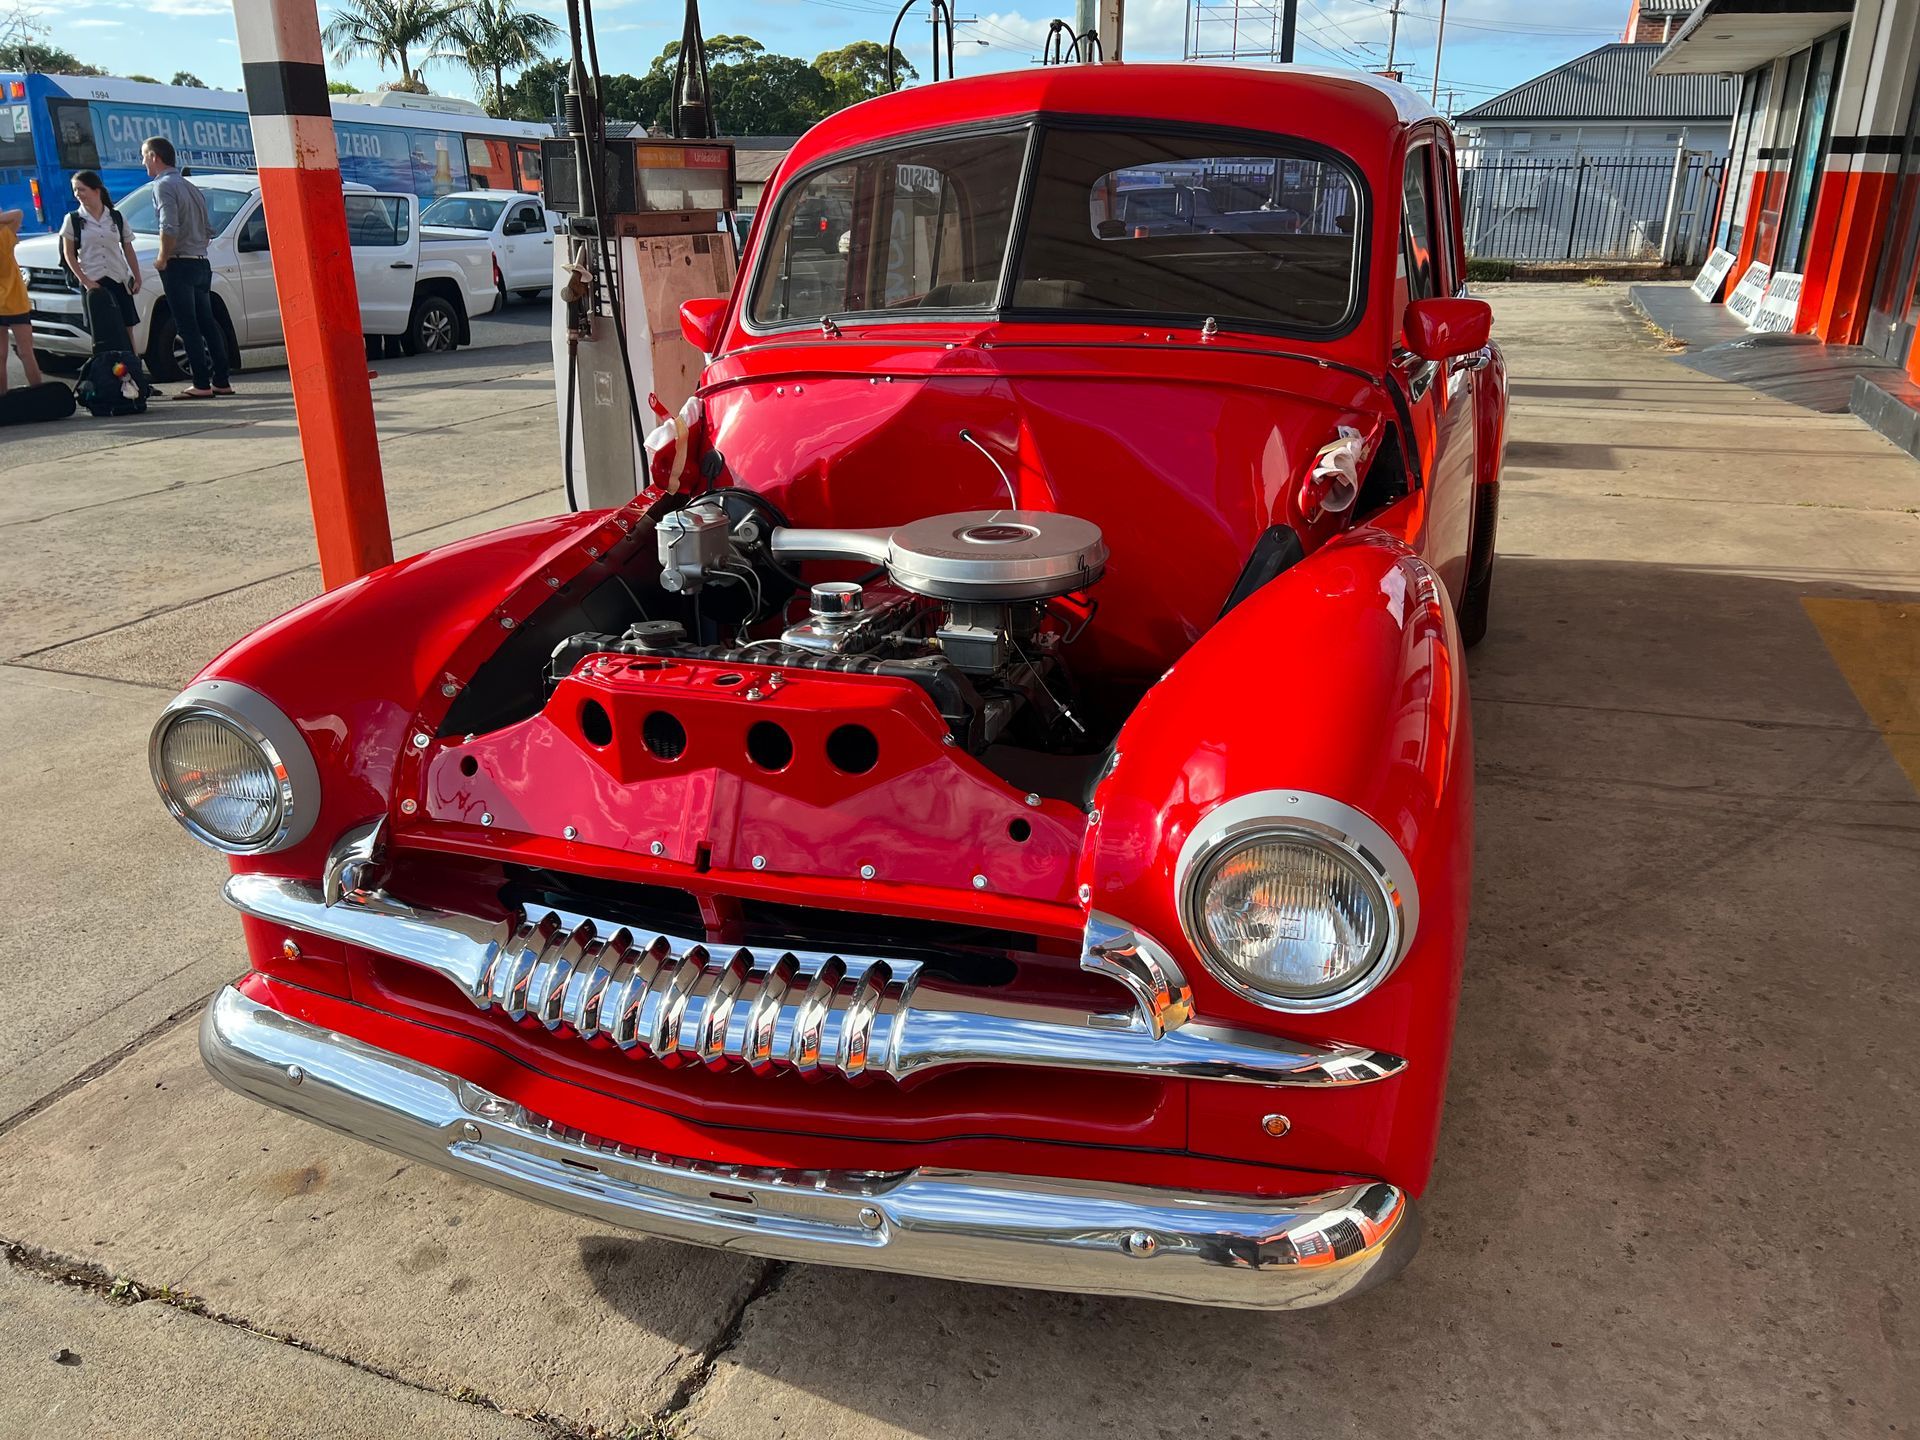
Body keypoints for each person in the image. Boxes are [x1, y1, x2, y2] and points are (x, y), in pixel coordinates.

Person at [142, 135, 233, 399]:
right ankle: (221, 380)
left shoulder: (162, 186)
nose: (142, 162)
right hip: (201, 262)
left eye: (143, 155)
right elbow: (208, 229)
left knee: (187, 326)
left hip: (179, 263)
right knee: (207, 322)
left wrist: (162, 257)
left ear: (154, 157)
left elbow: (168, 226)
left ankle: (201, 383)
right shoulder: (190, 186)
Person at [61, 171, 142, 354]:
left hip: (118, 278)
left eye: (82, 189)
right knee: (100, 332)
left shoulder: (116, 217)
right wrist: (86, 281)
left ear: (96, 190)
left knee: (127, 327)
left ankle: (132, 368)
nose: (77, 194)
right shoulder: (73, 219)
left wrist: (137, 277)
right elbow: (69, 254)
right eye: (75, 190)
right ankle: (104, 371)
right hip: (94, 281)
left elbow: (128, 248)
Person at [0, 205, 44, 398]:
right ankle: (33, 395)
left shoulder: (4, 232)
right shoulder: (6, 232)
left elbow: (17, 213)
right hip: (11, 299)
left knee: (14, 353)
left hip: (13, 299)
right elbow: (17, 214)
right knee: (14, 353)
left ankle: (32, 396)